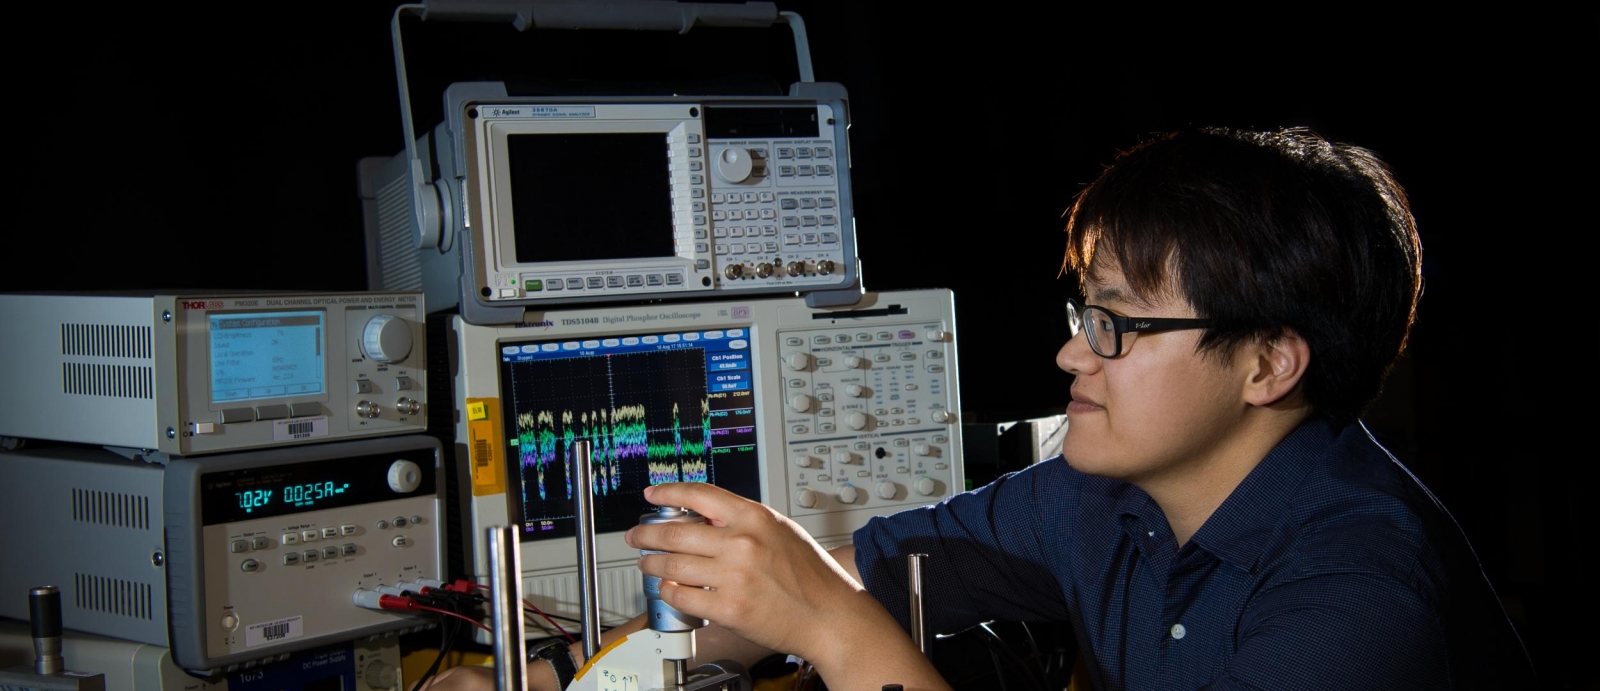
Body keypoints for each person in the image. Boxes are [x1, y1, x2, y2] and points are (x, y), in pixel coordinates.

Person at [429, 127, 1534, 690]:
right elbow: (855, 569)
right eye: (1080, 308)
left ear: (1268, 366)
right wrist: (575, 676)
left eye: (1118, 323)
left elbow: (832, 609)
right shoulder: (1096, 497)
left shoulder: (1358, 597)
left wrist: (833, 633)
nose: (1070, 350)